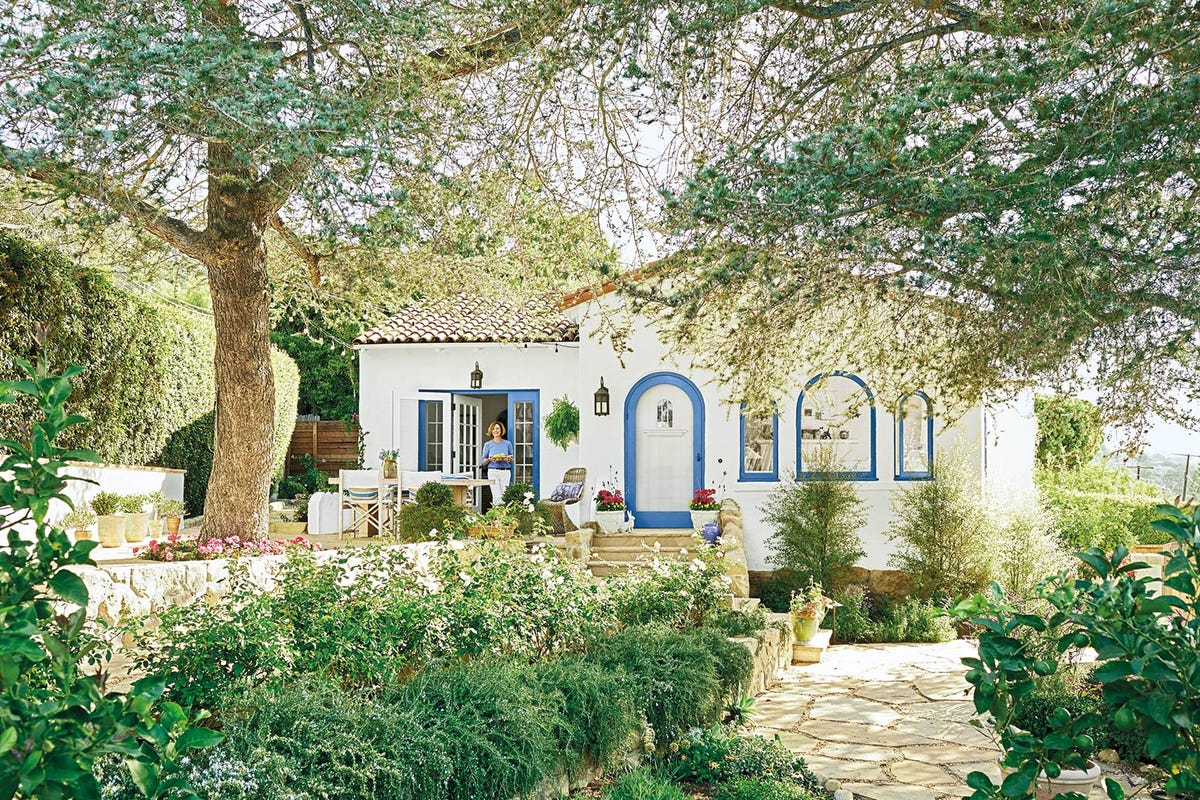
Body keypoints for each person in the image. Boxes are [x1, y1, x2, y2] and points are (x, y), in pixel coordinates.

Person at [481, 421, 514, 505]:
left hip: (505, 471)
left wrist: (508, 459)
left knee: (505, 495)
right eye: (493, 429)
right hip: (493, 471)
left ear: (501, 430)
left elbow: (512, 458)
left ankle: (504, 515)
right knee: (496, 495)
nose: (495, 431)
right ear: (491, 431)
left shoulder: (507, 443)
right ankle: (497, 516)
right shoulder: (488, 444)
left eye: (497, 428)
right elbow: (483, 461)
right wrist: (489, 459)